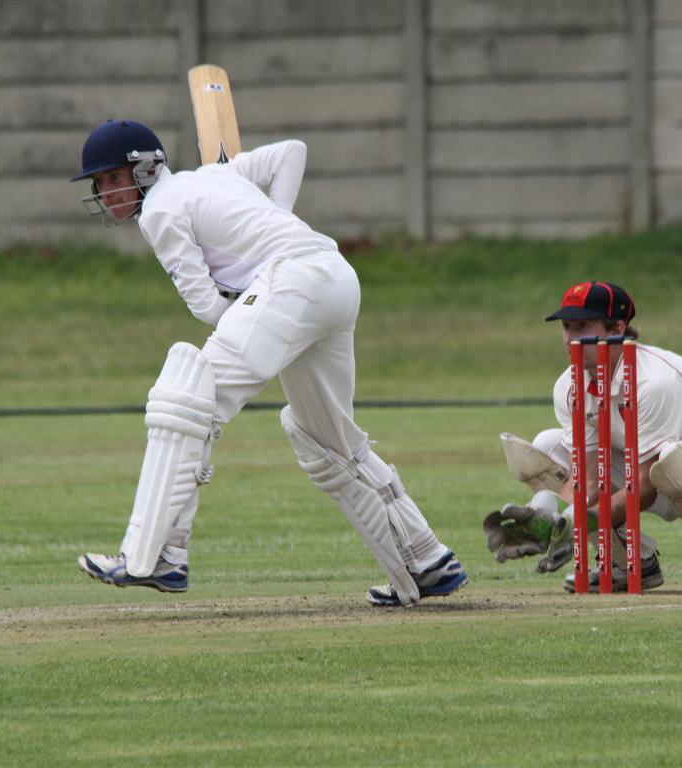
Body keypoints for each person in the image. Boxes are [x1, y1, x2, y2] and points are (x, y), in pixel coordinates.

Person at [69, 119, 466, 607]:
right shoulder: (220, 176)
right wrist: (274, 231)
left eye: (113, 178)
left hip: (293, 282)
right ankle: (426, 560)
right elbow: (291, 152)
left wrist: (259, 277)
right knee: (327, 441)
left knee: (188, 397)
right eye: (99, 184)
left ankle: (157, 555)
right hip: (335, 278)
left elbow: (205, 308)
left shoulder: (161, 211)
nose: (106, 192)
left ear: (146, 169)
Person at [485, 281, 682, 593]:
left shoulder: (656, 381)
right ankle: (628, 562)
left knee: (676, 459)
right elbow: (590, 480)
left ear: (616, 328)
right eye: (566, 327)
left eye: (583, 326)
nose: (570, 339)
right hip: (651, 468)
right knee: (546, 446)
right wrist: (549, 519)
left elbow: (646, 486)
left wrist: (584, 522)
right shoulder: (568, 386)